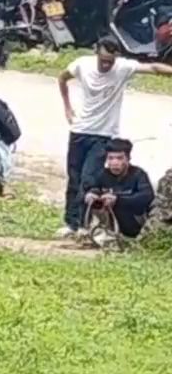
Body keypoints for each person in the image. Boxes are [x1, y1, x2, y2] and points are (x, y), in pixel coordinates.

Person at [56, 38, 172, 238]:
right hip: (79, 130)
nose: (107, 65)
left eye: (111, 61)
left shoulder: (122, 68)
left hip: (104, 134)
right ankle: (71, 222)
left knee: (88, 178)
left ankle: (83, 226)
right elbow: (62, 78)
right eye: (104, 60)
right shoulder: (82, 65)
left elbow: (153, 67)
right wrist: (67, 107)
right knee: (73, 178)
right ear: (97, 54)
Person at [79, 138, 156, 243]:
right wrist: (91, 195)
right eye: (111, 158)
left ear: (128, 158)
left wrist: (118, 199)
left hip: (133, 222)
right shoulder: (102, 174)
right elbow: (92, 189)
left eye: (119, 158)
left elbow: (147, 197)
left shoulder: (138, 174)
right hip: (109, 222)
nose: (114, 163)